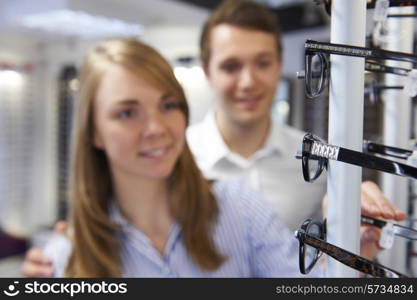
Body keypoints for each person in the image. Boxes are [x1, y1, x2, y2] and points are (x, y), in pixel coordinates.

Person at [21, 38, 403, 278]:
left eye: (168, 105)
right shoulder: (66, 259)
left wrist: (349, 247)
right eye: (127, 112)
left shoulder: (239, 208)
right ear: (94, 133)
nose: (156, 127)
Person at [186, 0, 398, 232]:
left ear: (279, 66)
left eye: (263, 63)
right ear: (207, 72)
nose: (248, 82)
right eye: (231, 66)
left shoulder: (316, 158)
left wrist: (354, 223)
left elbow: (323, 255)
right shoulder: (176, 157)